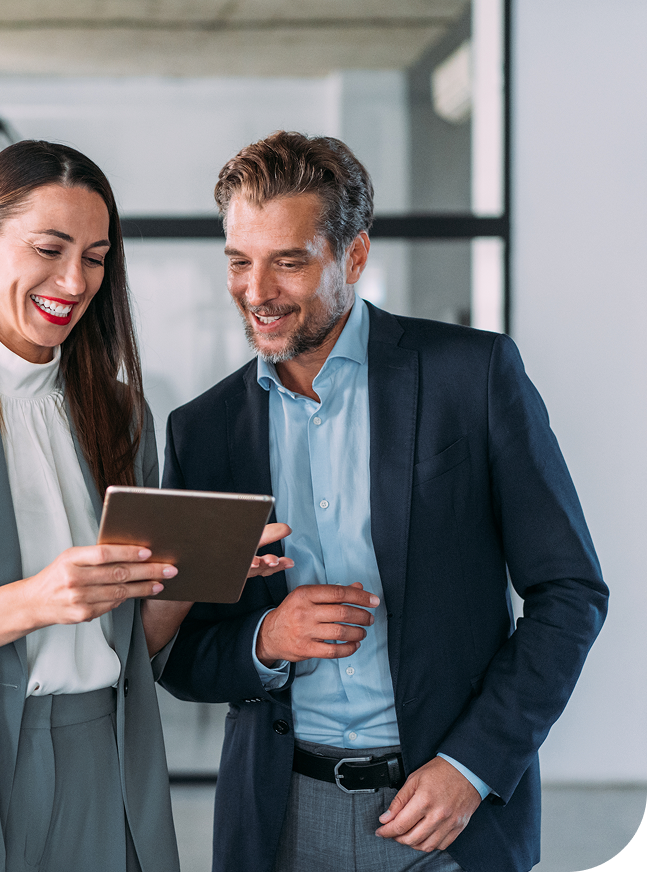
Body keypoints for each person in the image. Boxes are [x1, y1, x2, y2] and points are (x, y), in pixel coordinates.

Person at [0, 140, 285, 872]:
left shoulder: (120, 414)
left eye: (95, 257)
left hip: (104, 756)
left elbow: (135, 645)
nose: (74, 279)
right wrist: (35, 601)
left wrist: (199, 573)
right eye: (49, 247)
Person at [159, 131, 608, 872]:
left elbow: (571, 592)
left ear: (354, 256)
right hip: (280, 820)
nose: (257, 290)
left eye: (289, 261)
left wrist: (472, 766)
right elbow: (180, 651)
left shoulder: (474, 377)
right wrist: (264, 639)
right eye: (240, 261)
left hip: (449, 817)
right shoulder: (203, 433)